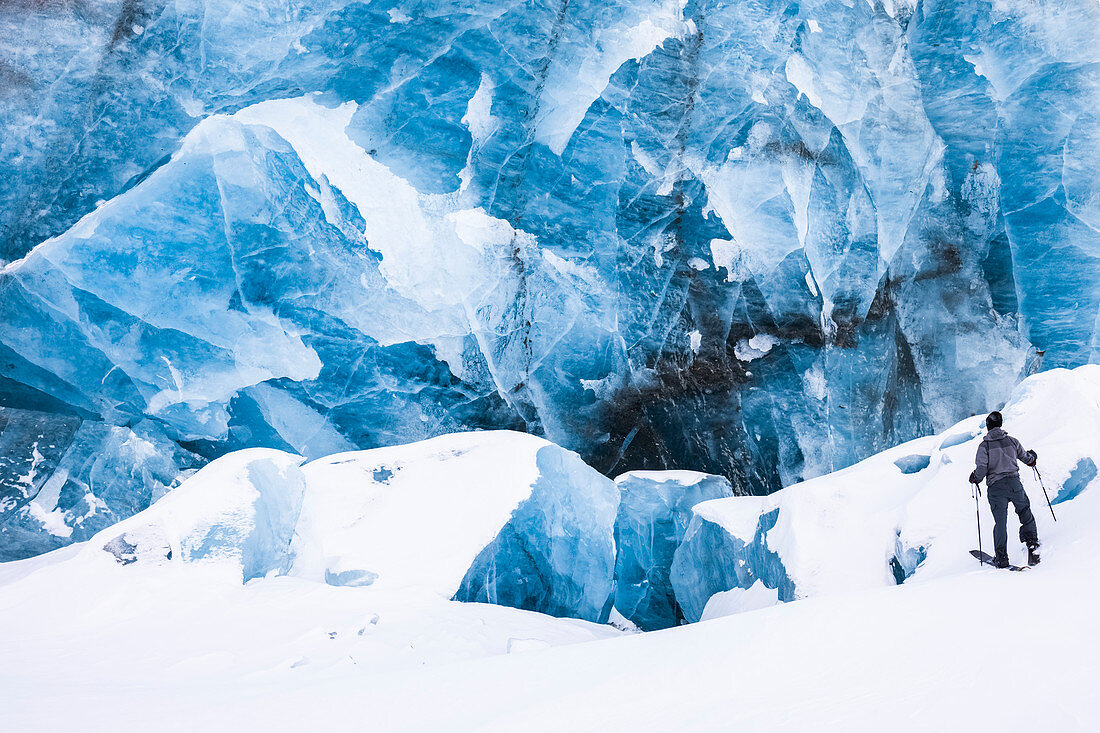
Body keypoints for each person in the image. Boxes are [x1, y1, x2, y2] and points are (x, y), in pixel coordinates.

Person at [969, 411, 1040, 567]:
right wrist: (1032, 458)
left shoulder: (984, 446)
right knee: (1025, 512)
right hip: (1014, 484)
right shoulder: (1012, 441)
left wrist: (974, 477)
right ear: (1000, 424)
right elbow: (1026, 458)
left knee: (1000, 522)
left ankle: (1001, 558)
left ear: (988, 426)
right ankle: (1032, 545)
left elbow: (981, 468)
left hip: (996, 489)